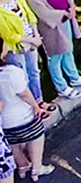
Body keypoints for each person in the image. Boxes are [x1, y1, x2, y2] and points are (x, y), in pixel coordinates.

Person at [0, 37, 48, 180]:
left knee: (13, 143)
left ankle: (22, 166)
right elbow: (24, 94)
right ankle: (37, 168)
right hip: (23, 117)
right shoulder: (10, 72)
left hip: (4, 122)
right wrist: (36, 107)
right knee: (37, 137)